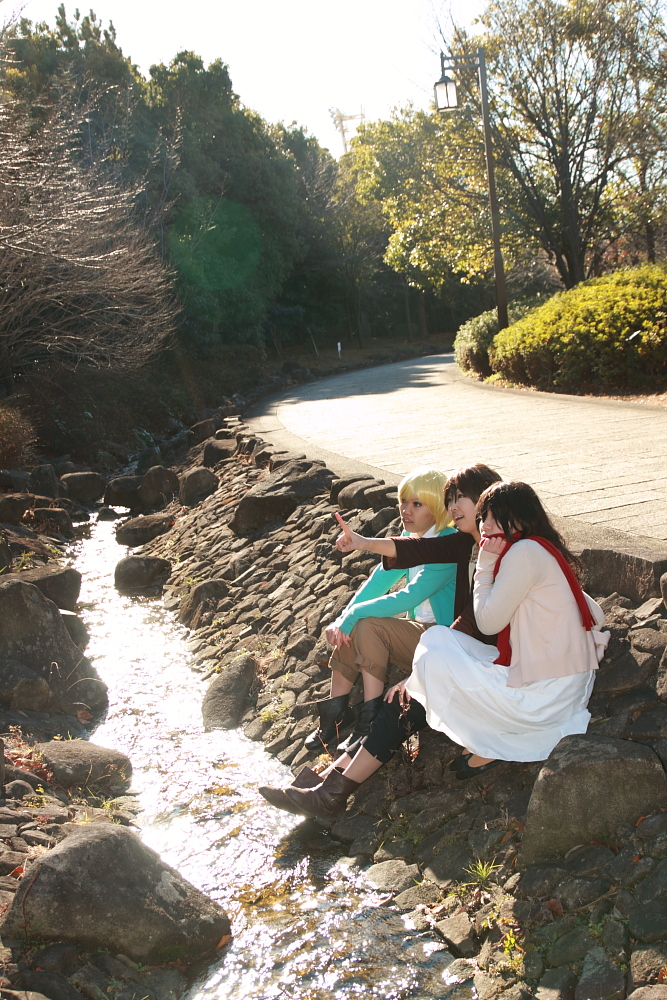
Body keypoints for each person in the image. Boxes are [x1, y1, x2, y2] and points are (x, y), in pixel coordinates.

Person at [261, 479, 608, 819]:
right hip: (542, 677)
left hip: (542, 690)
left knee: (414, 684)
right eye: (479, 514)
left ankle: (333, 791)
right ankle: (330, 782)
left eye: (484, 512)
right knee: (425, 663)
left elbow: (485, 623)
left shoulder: (519, 553)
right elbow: (419, 553)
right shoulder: (522, 549)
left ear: (514, 517)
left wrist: (485, 566)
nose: (477, 521)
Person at [259, 462, 501, 813]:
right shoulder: (464, 545)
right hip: (452, 645)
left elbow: (459, 616)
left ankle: (336, 781)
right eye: (450, 500)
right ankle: (329, 774)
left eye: (419, 503)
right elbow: (402, 563)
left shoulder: (483, 549)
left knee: (391, 684)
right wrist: (348, 604)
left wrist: (424, 666)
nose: (452, 508)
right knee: (368, 638)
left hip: (467, 654)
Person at [304, 466, 458, 756]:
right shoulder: (409, 536)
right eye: (403, 501)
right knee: (355, 623)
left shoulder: (448, 544)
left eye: (417, 504)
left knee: (366, 623)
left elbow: (410, 596)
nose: (406, 510)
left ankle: (368, 723)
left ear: (437, 508)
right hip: (420, 632)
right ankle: (334, 718)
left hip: (442, 641)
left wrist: (353, 616)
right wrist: (343, 618)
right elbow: (379, 581)